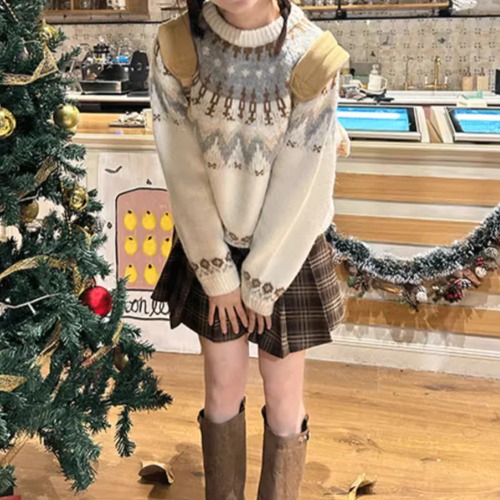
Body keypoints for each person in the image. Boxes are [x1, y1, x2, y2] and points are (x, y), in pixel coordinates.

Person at [149, 1, 349, 498]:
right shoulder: (177, 47)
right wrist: (218, 274)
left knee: (283, 394)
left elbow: (304, 184)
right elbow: (183, 171)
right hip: (211, 245)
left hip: (288, 248)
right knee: (221, 386)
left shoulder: (312, 57)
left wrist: (263, 281)